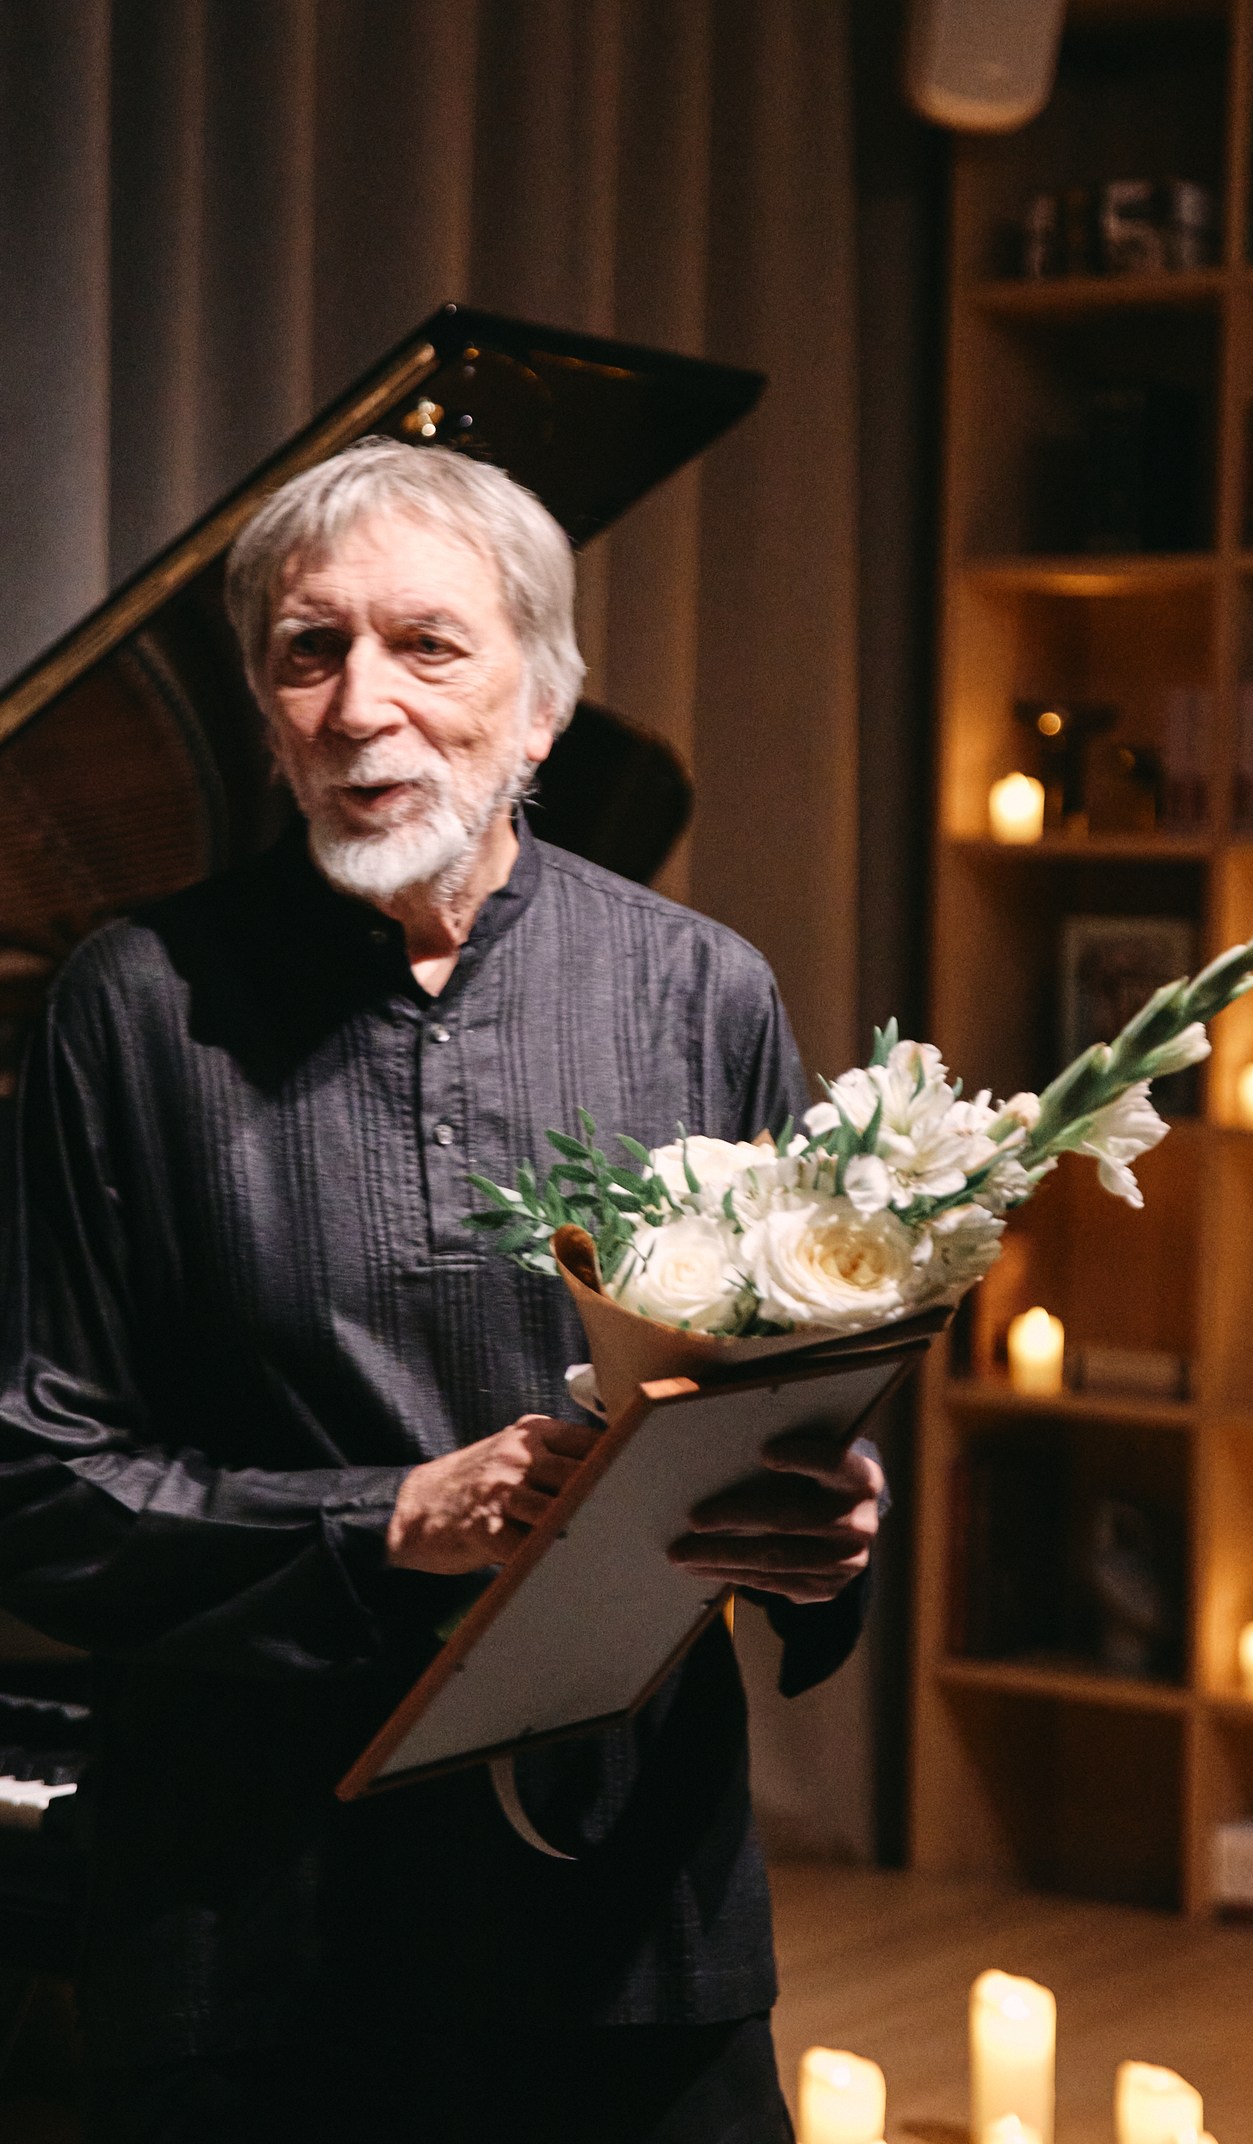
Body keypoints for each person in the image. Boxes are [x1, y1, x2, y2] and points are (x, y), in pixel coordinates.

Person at [0, 440, 886, 2143]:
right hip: (249, 1920)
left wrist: (830, 1524)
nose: (360, 705)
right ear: (266, 715)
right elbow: (34, 1484)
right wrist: (389, 1518)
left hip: (626, 1907)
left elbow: (792, 1390)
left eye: (427, 645)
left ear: (542, 708)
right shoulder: (133, 1006)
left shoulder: (700, 990)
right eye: (307, 652)